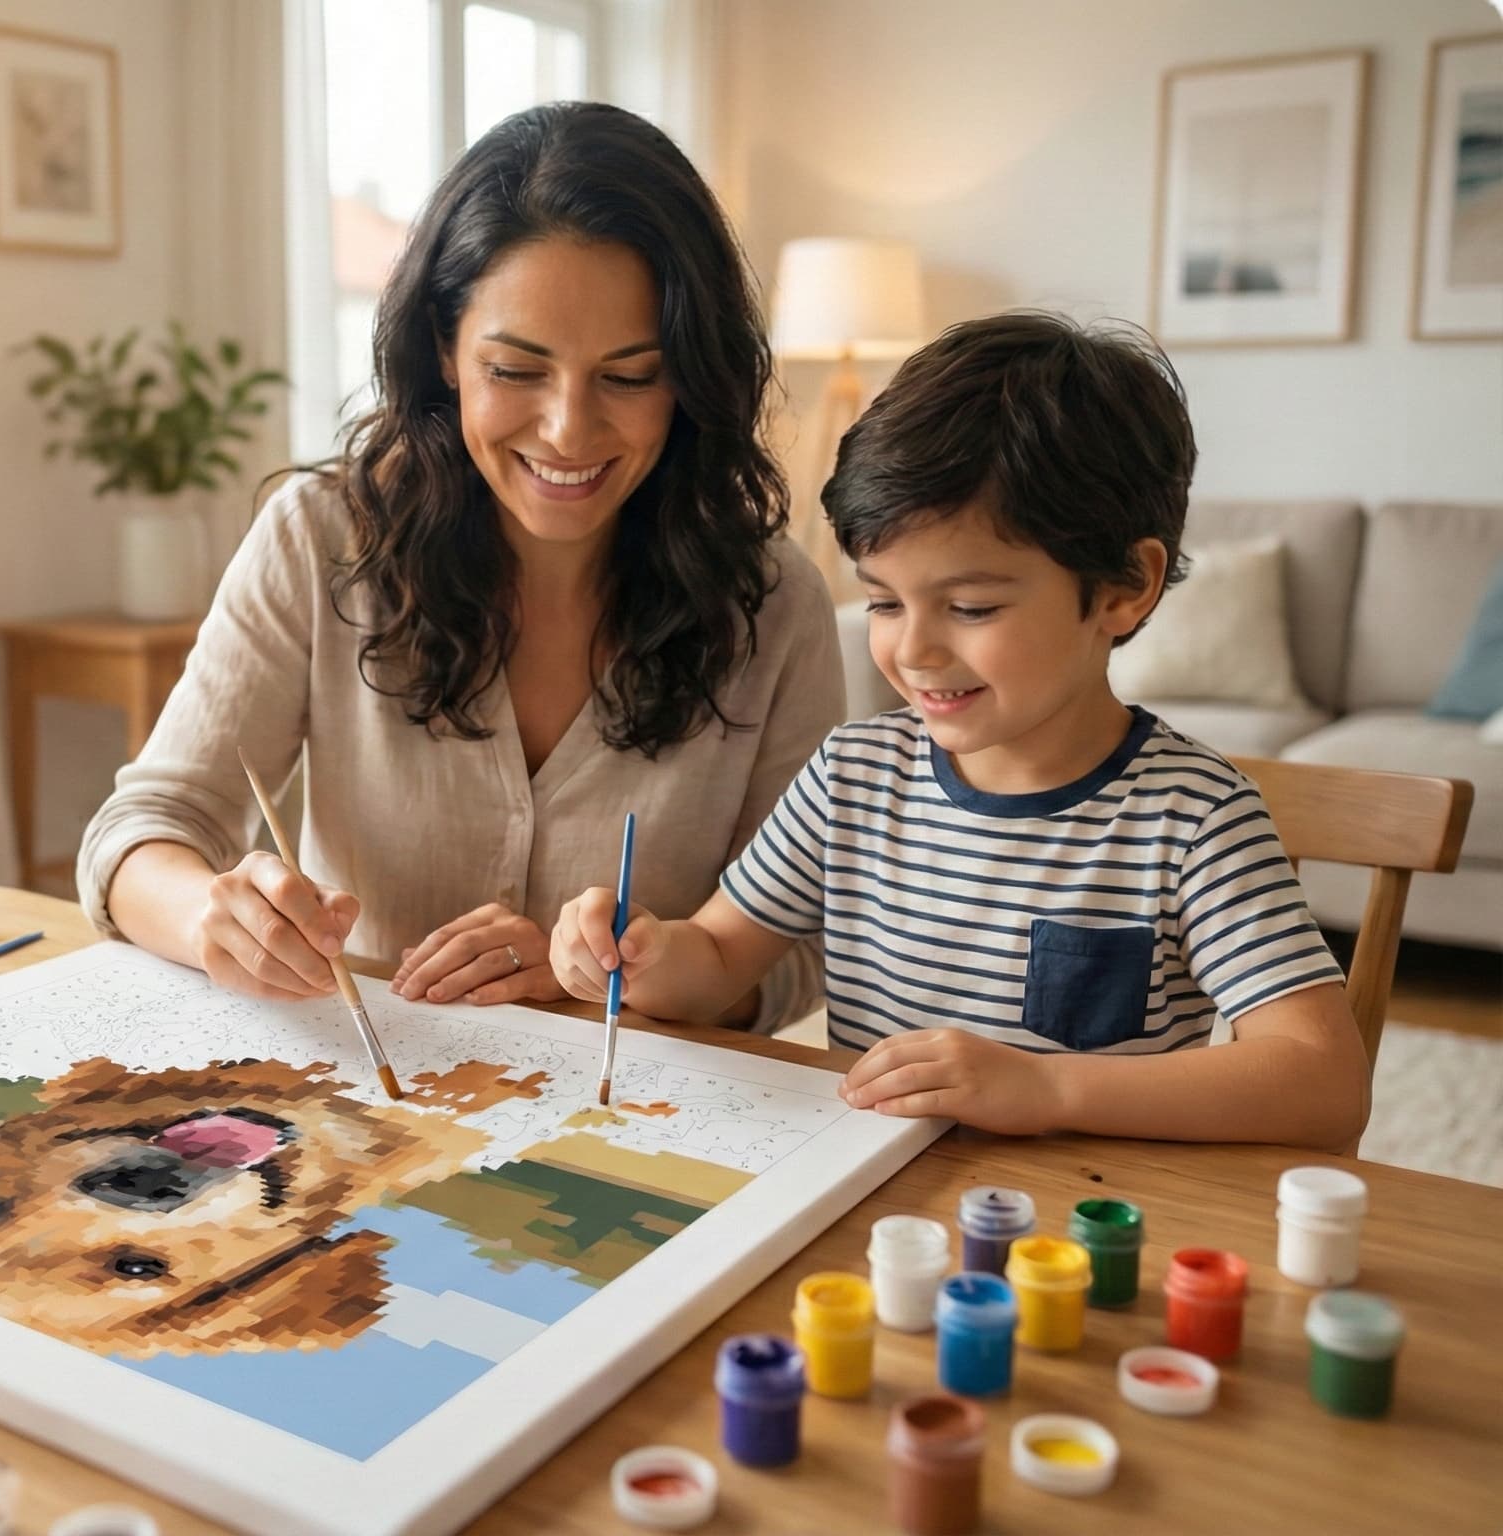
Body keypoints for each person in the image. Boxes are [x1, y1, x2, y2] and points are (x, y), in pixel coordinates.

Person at [78, 101, 842, 1030]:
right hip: (370, 1113)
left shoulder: (773, 606)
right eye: (516, 370)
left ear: (688, 376)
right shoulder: (321, 542)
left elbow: (802, 950)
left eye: (629, 376)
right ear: (443, 349)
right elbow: (141, 834)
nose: (568, 429)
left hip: (635, 1129)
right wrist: (217, 917)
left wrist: (621, 979)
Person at [551, 312, 1368, 1149]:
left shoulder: (1194, 818)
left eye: (971, 607)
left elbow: (1324, 1080)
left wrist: (1049, 1085)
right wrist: (643, 955)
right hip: (868, 1206)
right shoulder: (853, 777)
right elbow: (718, 960)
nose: (913, 649)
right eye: (883, 601)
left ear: (1126, 587)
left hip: (1079, 1234)